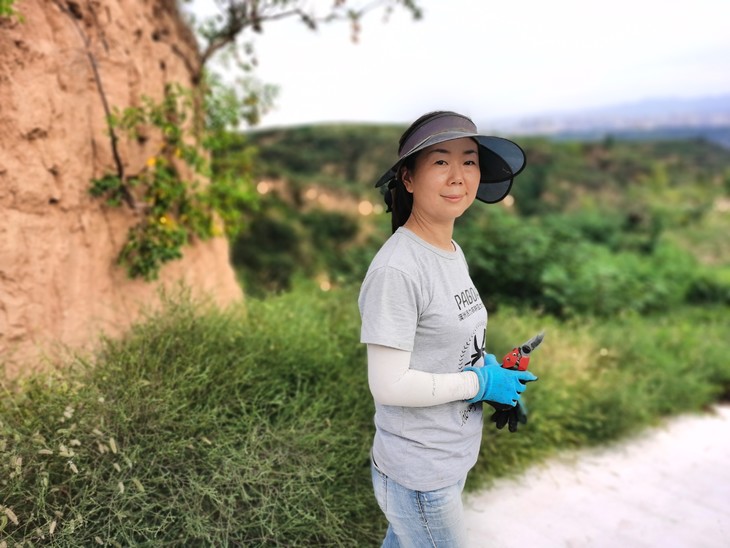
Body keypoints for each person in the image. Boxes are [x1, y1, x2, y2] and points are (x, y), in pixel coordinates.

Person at [358, 111, 538, 547]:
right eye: (440, 161)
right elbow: (388, 385)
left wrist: (491, 369)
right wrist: (479, 383)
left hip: (449, 458)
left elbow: (446, 339)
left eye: (469, 161)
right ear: (408, 178)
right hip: (419, 474)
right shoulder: (397, 270)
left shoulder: (450, 250)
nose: (458, 175)